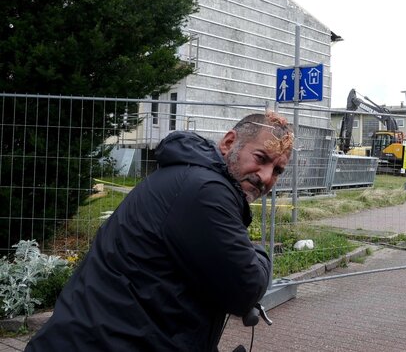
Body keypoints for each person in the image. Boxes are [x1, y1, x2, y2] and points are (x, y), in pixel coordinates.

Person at [26, 111, 294, 351]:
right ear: (228, 143)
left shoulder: (191, 177)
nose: (267, 177)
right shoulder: (206, 191)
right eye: (261, 158)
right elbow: (245, 289)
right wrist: (259, 254)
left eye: (278, 170)